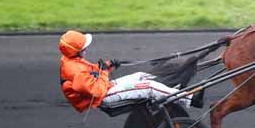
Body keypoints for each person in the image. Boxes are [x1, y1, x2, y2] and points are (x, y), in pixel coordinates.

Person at [59, 30, 198, 113]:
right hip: (103, 97)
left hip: (105, 88)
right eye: (83, 48)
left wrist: (108, 65)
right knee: (148, 86)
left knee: (140, 76)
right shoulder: (75, 70)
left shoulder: (71, 61)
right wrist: (104, 72)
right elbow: (97, 90)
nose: (86, 49)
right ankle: (189, 99)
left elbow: (92, 73)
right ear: (76, 51)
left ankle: (168, 87)